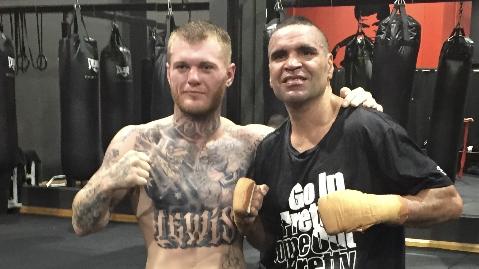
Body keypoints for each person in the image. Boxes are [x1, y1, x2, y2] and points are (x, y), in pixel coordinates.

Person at [71, 20, 379, 269]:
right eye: (181, 67)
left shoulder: (255, 142)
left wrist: (352, 106)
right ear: (167, 72)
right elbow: (83, 225)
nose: (193, 78)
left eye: (206, 67)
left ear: (229, 75)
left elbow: (320, 134)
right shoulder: (134, 141)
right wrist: (106, 181)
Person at [234, 16, 463, 269]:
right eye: (279, 56)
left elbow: (449, 201)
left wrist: (379, 208)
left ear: (330, 66)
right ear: (270, 74)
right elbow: (270, 244)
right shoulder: (268, 150)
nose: (292, 63)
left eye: (307, 52)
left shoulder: (368, 127)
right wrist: (249, 224)